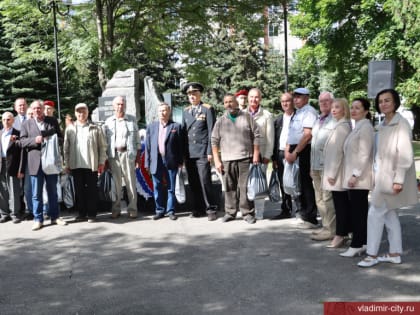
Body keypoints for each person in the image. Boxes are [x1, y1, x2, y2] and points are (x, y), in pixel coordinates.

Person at [358, 89, 417, 267]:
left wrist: (398, 179)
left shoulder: (401, 123)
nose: (383, 104)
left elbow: (405, 154)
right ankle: (395, 253)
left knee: (374, 214)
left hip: (390, 179)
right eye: (381, 101)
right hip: (382, 178)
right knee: (390, 216)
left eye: (387, 100)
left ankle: (372, 255)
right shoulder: (384, 123)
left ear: (395, 102)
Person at [212, 94, 261, 224]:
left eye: (231, 101)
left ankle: (247, 213)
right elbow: (214, 141)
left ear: (236, 102)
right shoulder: (220, 121)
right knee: (229, 187)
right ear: (224, 105)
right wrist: (217, 160)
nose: (229, 104)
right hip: (227, 159)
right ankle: (230, 212)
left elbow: (256, 135)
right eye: (226, 102)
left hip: (245, 157)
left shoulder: (247, 117)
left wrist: (256, 153)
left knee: (245, 187)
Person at [20, 100, 67, 231]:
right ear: (32, 110)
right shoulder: (26, 124)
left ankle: (55, 217)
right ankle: (38, 219)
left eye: (39, 108)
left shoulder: (52, 121)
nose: (37, 110)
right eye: (34, 109)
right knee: (36, 193)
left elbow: (61, 138)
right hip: (35, 162)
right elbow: (22, 142)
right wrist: (35, 140)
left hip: (51, 161)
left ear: (43, 108)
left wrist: (52, 140)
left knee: (53, 191)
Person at [339, 98, 374, 257]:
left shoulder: (366, 127)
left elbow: (364, 154)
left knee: (358, 213)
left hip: (359, 178)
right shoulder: (357, 127)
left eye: (357, 108)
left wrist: (355, 175)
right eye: (352, 107)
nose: (353, 110)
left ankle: (357, 244)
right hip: (355, 177)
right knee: (359, 211)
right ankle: (364, 242)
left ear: (366, 111)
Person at [63, 103, 107, 223]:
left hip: (91, 165)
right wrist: (66, 164)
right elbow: (66, 148)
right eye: (78, 112)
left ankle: (92, 214)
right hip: (76, 165)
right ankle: (82, 213)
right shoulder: (70, 128)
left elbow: (102, 147)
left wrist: (102, 162)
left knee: (92, 190)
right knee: (79, 190)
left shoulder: (95, 128)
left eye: (83, 111)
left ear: (87, 112)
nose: (81, 114)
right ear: (75, 113)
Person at [182, 82, 218, 221]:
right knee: (193, 182)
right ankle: (198, 208)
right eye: (190, 94)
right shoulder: (186, 111)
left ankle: (211, 209)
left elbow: (211, 132)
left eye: (194, 93)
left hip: (203, 151)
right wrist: (184, 154)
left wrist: (210, 151)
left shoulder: (207, 109)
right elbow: (184, 133)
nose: (192, 96)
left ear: (200, 94)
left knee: (205, 181)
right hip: (190, 153)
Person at [285, 87, 318, 228]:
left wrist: (295, 152)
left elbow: (307, 135)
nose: (296, 99)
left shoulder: (309, 112)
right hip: (294, 150)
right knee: (298, 184)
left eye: (299, 97)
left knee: (306, 184)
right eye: (295, 97)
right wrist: (288, 150)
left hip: (303, 150)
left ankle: (311, 217)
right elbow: (291, 134)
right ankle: (303, 214)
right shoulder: (298, 113)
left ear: (306, 98)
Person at [145, 103, 184, 221]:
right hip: (156, 161)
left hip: (171, 161)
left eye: (165, 110)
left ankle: (171, 211)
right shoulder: (151, 127)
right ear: (157, 113)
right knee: (157, 187)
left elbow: (181, 146)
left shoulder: (176, 126)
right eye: (160, 111)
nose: (162, 113)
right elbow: (147, 147)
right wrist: (147, 163)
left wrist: (181, 161)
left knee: (171, 188)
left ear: (169, 112)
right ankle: (159, 210)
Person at [103, 96, 139, 219]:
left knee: (130, 183)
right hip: (114, 156)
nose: (120, 106)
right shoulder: (108, 122)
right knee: (116, 185)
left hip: (128, 155)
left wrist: (137, 158)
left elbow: (137, 141)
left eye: (122, 104)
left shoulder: (131, 120)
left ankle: (132, 209)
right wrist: (105, 159)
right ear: (113, 106)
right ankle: (116, 209)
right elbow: (104, 142)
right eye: (118, 104)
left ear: (125, 105)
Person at [322, 99, 352, 248]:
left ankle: (340, 235)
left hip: (337, 174)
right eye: (332, 107)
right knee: (340, 205)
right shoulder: (339, 125)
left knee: (341, 206)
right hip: (336, 172)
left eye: (337, 107)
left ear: (344, 109)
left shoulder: (342, 127)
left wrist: (332, 174)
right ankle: (343, 233)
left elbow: (337, 153)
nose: (333, 110)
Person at [310, 92, 336, 241]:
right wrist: (311, 167)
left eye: (327, 101)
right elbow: (314, 144)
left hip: (327, 166)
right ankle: (325, 226)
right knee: (319, 198)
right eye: (321, 101)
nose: (324, 104)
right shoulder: (318, 119)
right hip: (315, 165)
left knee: (328, 199)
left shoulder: (335, 120)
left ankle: (331, 229)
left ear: (332, 102)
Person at [271, 92, 295, 219]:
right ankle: (286, 209)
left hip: (294, 154)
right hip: (280, 154)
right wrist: (274, 158)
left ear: (292, 101)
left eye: (287, 101)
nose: (285, 103)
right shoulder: (278, 119)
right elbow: (275, 139)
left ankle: (302, 210)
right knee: (283, 182)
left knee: (296, 182)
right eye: (282, 101)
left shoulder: (298, 116)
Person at [0, 112, 24, 224]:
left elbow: (22, 154)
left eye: (8, 119)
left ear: (13, 121)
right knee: (2, 190)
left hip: (13, 165)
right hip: (1, 164)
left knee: (14, 190)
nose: (6, 122)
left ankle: (15, 214)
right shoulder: (0, 133)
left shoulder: (18, 134)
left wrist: (21, 169)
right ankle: (4, 214)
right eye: (4, 119)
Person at [12, 98, 32, 220]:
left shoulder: (32, 119)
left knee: (28, 186)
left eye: (24, 105)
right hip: (16, 158)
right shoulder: (11, 121)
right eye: (19, 106)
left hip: (30, 157)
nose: (22, 107)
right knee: (17, 186)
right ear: (15, 108)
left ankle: (30, 210)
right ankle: (18, 210)